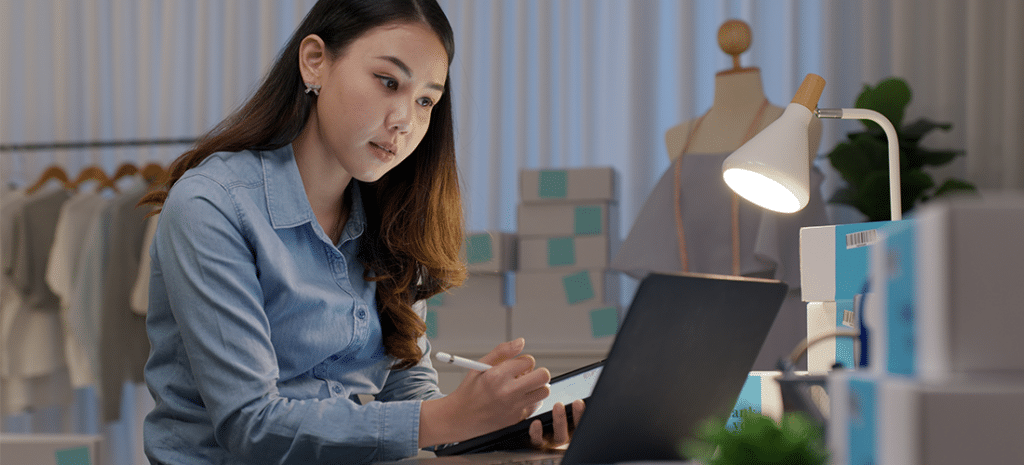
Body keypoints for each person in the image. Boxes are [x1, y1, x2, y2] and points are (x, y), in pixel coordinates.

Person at [138, 0, 582, 462]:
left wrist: (493, 425)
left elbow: (406, 387)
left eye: (425, 100)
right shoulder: (212, 206)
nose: (405, 122)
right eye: (388, 82)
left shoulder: (392, 218)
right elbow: (252, 425)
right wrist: (447, 418)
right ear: (315, 62)